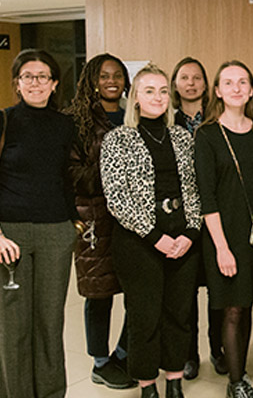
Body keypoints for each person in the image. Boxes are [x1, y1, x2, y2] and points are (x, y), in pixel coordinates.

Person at [100, 63, 202, 398]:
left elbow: (195, 188)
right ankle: (147, 386)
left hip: (183, 239)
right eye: (149, 91)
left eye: (162, 91)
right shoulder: (118, 139)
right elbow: (116, 198)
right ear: (135, 98)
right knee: (145, 317)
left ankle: (174, 381)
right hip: (139, 242)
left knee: (179, 313)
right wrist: (155, 237)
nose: (157, 97)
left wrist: (190, 232)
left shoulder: (182, 137)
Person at [194, 60, 253, 398]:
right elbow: (207, 196)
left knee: (247, 305)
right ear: (217, 90)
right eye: (228, 82)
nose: (236, 88)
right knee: (231, 306)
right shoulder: (208, 135)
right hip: (225, 234)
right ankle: (236, 382)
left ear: (251, 89)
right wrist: (221, 247)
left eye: (242, 82)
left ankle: (238, 367)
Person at [0, 48, 78, 398]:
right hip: (10, 235)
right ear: (17, 83)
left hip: (55, 233)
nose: (35, 83)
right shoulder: (3, 120)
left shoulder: (64, 124)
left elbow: (68, 178)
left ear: (54, 83)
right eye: (27, 76)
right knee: (13, 325)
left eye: (42, 76)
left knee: (50, 323)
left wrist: (72, 226)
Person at [65, 52, 135, 390]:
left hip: (134, 217)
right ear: (92, 80)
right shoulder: (76, 120)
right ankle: (100, 361)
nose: (112, 81)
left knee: (140, 289)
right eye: (104, 75)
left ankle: (123, 352)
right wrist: (112, 170)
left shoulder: (133, 115)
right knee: (99, 292)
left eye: (118, 75)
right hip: (95, 217)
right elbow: (72, 174)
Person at [169, 56, 227, 380]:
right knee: (184, 293)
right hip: (181, 220)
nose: (190, 83)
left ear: (206, 85)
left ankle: (217, 349)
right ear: (175, 85)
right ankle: (188, 354)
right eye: (184, 78)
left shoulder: (218, 120)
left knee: (218, 289)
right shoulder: (166, 120)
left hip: (215, 212)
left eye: (196, 78)